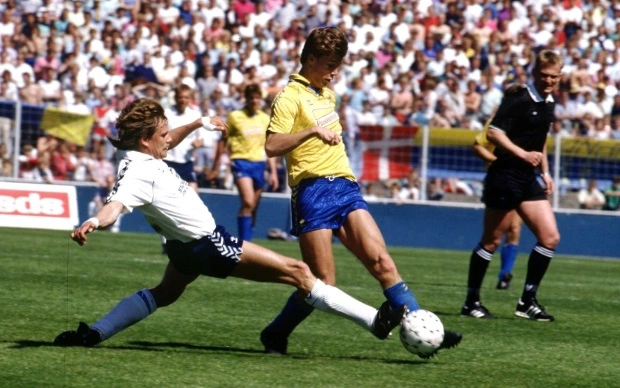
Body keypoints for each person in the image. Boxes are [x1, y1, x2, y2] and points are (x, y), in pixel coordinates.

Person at [53, 98, 405, 350]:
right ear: (146, 140)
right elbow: (115, 204)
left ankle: (94, 334)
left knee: (164, 294)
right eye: (162, 133)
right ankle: (375, 320)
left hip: (183, 248)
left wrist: (194, 124)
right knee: (299, 272)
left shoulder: (142, 153)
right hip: (208, 244)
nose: (168, 138)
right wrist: (94, 220)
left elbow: (169, 140)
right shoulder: (136, 172)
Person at [261, 27, 462, 356]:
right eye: (329, 65)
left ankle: (423, 328)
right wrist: (311, 131)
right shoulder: (288, 97)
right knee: (321, 282)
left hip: (345, 186)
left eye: (338, 65)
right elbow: (271, 145)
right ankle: (276, 332)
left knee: (382, 262)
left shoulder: (327, 94)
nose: (335, 72)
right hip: (311, 192)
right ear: (310, 59)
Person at [460, 49, 562, 321]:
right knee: (491, 241)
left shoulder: (550, 101)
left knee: (550, 237)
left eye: (553, 76)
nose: (548, 80)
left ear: (560, 76)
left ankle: (527, 301)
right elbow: (494, 132)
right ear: (534, 73)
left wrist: (546, 172)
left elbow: (540, 141)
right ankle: (471, 301)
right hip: (504, 175)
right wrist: (522, 154)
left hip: (529, 178)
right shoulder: (518, 97)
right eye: (544, 75)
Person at [211, 84, 278, 242]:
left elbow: (269, 146)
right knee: (247, 202)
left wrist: (273, 172)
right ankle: (244, 245)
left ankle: (247, 241)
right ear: (246, 99)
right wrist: (216, 165)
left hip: (259, 164)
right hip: (240, 162)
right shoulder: (235, 116)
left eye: (257, 98)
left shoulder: (264, 118)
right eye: (251, 98)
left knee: (252, 207)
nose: (254, 101)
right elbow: (223, 140)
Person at [472, 120, 523, 290]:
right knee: (493, 236)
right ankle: (475, 287)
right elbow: (478, 146)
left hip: (521, 180)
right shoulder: (499, 120)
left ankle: (504, 275)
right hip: (499, 180)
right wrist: (497, 162)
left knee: (515, 228)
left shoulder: (531, 118)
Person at [161, 84, 203, 254]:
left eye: (186, 97)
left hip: (186, 163)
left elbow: (201, 139)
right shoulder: (167, 114)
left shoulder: (194, 115)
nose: (183, 100)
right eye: (180, 97)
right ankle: (167, 241)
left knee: (193, 196)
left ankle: (191, 237)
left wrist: (198, 143)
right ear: (175, 97)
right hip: (168, 161)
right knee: (165, 202)